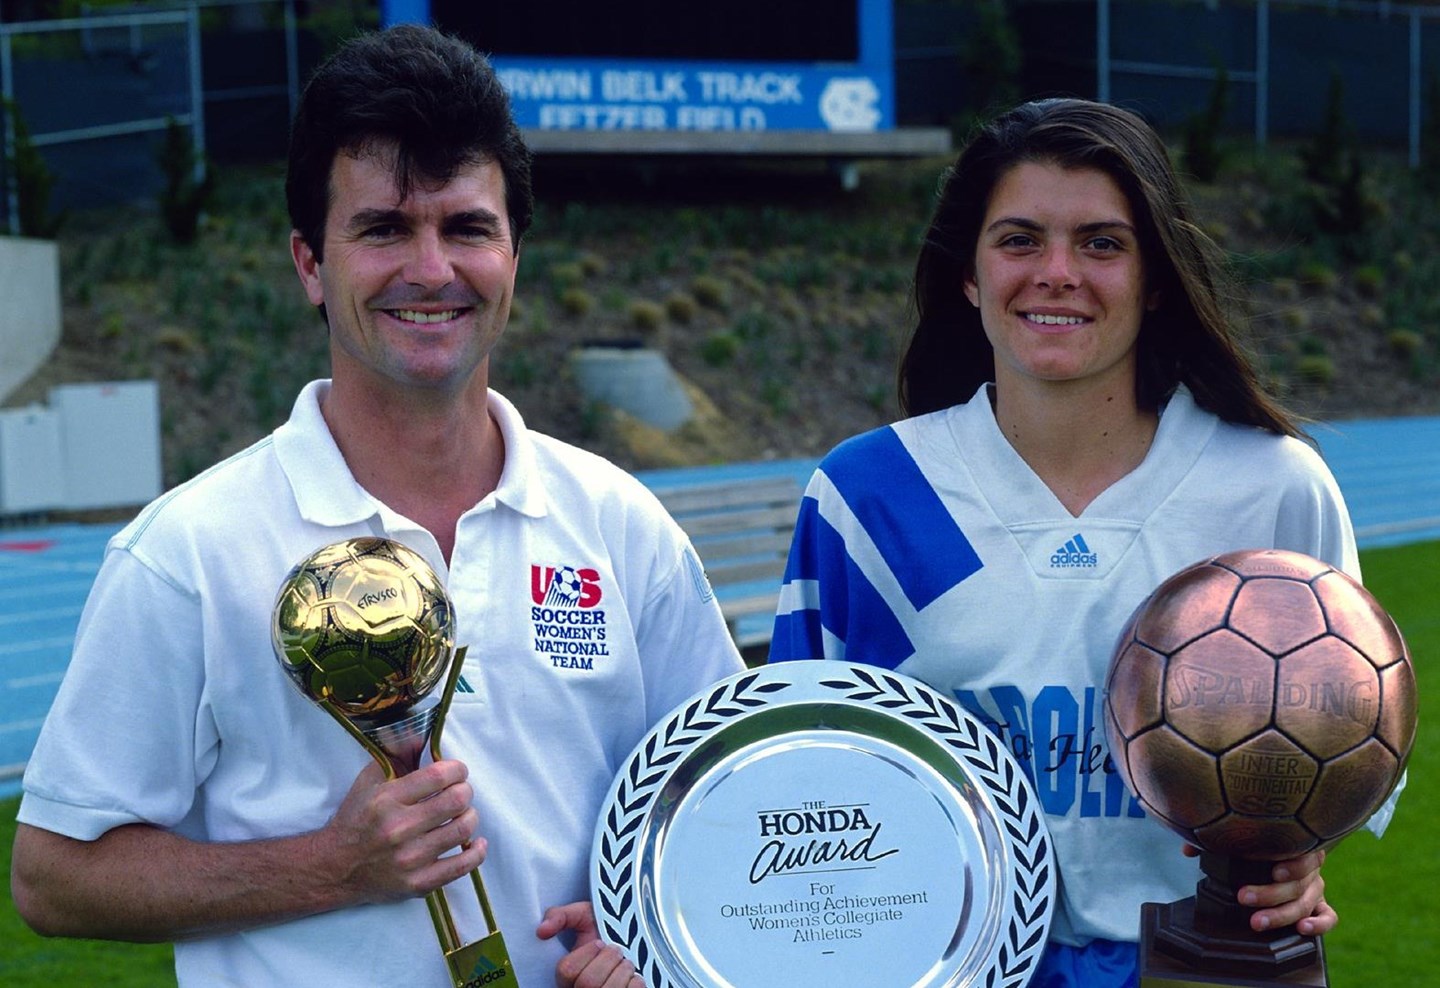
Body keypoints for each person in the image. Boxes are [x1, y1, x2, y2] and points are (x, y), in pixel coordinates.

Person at [11, 25, 743, 988]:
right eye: (385, 228)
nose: (432, 268)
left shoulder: (619, 525)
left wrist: (648, 928)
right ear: (312, 264)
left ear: (514, 254)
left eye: (468, 227)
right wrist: (330, 868)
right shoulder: (189, 551)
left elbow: (725, 800)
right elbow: (55, 878)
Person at [769, 98, 1399, 987]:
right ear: (969, 274)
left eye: (1103, 243)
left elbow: (1346, 740)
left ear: (1156, 276)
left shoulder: (1269, 489)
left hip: (1205, 961)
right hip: (941, 965)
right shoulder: (867, 498)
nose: (1057, 273)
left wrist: (1298, 860)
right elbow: (798, 781)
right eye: (1019, 240)